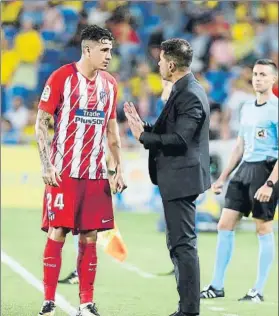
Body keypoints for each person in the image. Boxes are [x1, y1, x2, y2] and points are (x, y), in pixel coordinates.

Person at [35, 25, 127, 316]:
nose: (109, 56)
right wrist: (47, 164)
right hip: (64, 172)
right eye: (104, 50)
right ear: (87, 50)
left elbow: (112, 132)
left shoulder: (110, 84)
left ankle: (86, 303)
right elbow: (42, 122)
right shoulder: (61, 77)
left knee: (89, 237)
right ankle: (48, 302)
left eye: (110, 50)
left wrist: (118, 169)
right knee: (58, 231)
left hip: (96, 174)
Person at [124, 38, 211, 316]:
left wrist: (144, 136)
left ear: (171, 64)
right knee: (178, 244)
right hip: (178, 177)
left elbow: (181, 139)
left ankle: (189, 310)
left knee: (183, 245)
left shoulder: (190, 94)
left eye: (161, 60)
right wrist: (146, 128)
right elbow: (174, 131)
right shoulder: (183, 89)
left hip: (182, 179)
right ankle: (186, 307)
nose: (158, 64)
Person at [200, 59, 278, 302]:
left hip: (266, 170)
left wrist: (270, 184)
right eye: (255, 74)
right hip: (244, 169)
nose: (258, 78)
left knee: (263, 227)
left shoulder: (276, 109)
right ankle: (217, 285)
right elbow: (240, 146)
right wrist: (223, 177)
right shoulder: (247, 107)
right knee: (225, 224)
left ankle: (258, 290)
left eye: (264, 74)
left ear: (273, 79)